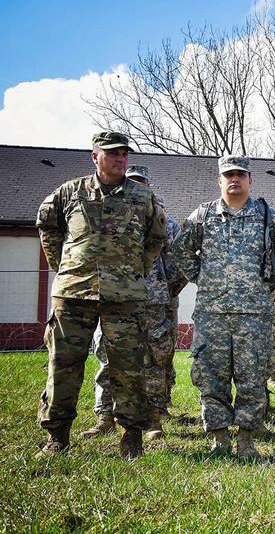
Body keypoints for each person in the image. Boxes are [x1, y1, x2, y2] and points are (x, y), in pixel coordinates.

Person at [35, 131, 167, 459]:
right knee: (63, 365)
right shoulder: (70, 192)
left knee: (129, 367)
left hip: (125, 297)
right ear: (95, 157)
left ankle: (131, 437)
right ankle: (57, 437)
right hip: (74, 294)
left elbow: (157, 236)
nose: (120, 159)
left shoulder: (142, 197)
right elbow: (46, 224)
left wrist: (135, 270)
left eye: (124, 154)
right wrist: (64, 264)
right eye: (112, 154)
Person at [172, 155, 275, 457]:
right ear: (219, 180)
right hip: (212, 312)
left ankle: (245, 439)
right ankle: (219, 437)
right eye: (229, 174)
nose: (235, 179)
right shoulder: (202, 216)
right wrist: (204, 278)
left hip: (254, 314)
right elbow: (182, 251)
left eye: (241, 174)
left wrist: (265, 284)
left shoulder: (269, 216)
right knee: (210, 376)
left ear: (250, 180)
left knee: (251, 377)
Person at [83, 165, 184, 442]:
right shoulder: (107, 216)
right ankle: (105, 416)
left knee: (155, 360)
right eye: (132, 182)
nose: (137, 186)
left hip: (152, 302)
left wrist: (163, 288)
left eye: (142, 183)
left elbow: (180, 263)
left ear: (148, 186)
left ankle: (153, 419)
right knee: (108, 358)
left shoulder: (165, 220)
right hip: (113, 300)